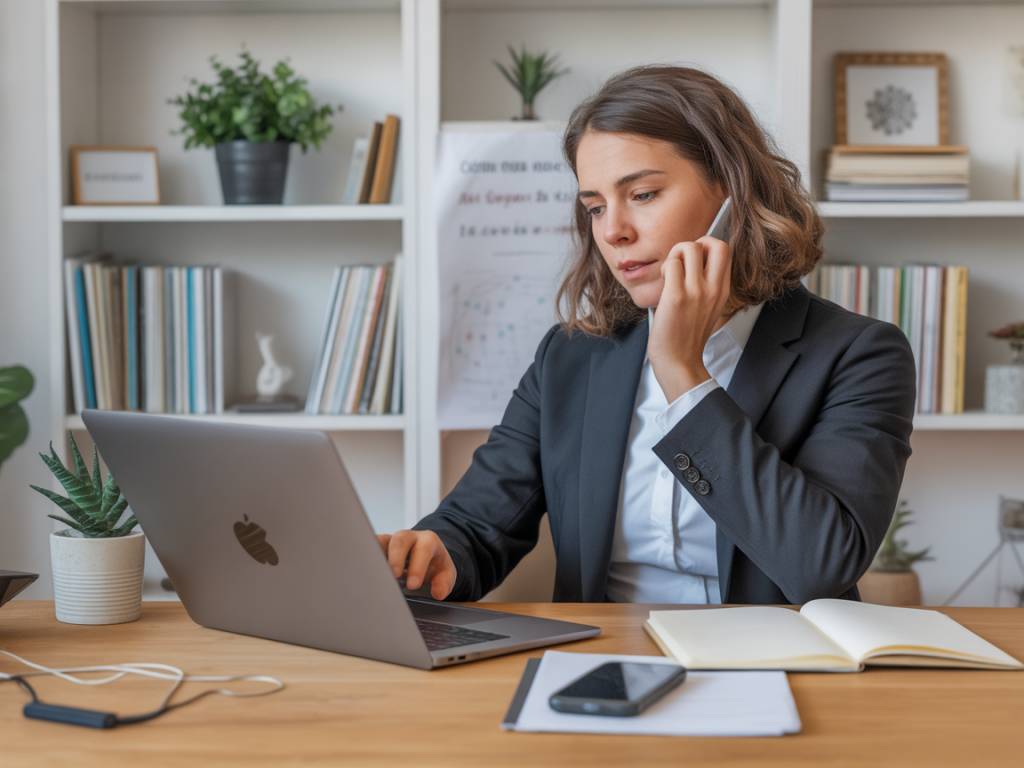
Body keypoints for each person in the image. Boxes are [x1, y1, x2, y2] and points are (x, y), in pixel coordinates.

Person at [378, 65, 916, 605]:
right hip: (605, 649)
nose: (613, 231)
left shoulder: (859, 354)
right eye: (595, 207)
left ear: (732, 193)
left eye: (642, 194)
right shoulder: (571, 356)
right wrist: (433, 553)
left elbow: (821, 565)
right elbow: (476, 525)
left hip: (773, 652)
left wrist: (683, 375)